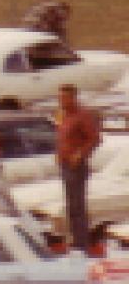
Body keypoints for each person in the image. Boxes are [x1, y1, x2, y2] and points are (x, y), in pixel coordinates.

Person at [56, 83, 101, 252]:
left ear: (73, 98)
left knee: (78, 206)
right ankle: (75, 241)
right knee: (70, 206)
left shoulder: (82, 115)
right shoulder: (63, 115)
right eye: (59, 98)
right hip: (64, 165)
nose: (61, 101)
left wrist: (80, 154)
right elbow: (63, 137)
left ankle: (82, 244)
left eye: (64, 98)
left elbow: (94, 138)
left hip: (76, 166)